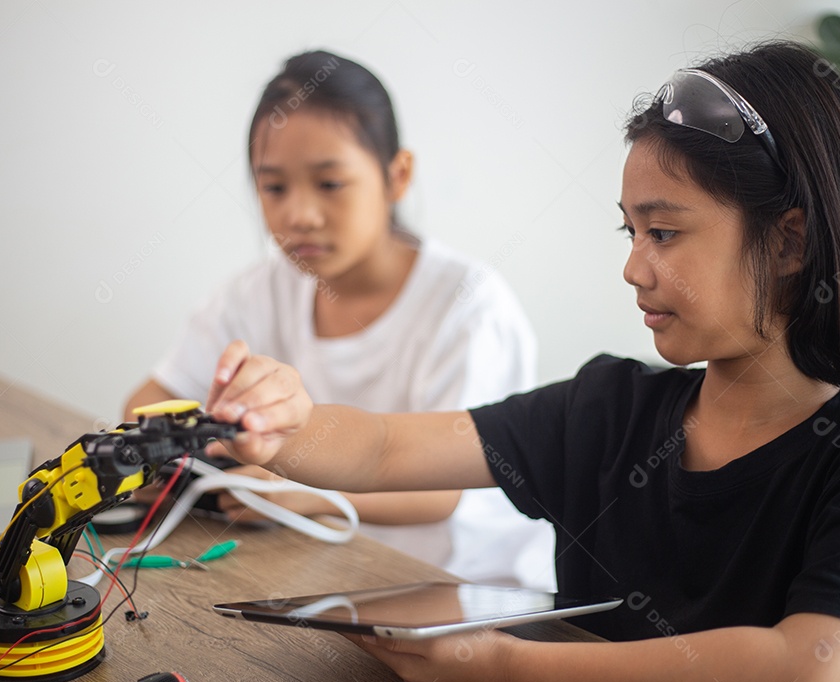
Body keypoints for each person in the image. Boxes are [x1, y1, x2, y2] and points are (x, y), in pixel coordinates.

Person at [199, 41, 840, 682]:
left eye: (665, 232)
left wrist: (505, 666)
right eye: (631, 232)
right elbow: (383, 449)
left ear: (790, 242)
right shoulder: (610, 410)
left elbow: (804, 681)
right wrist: (287, 426)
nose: (634, 267)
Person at [125, 50, 555, 590]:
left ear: (397, 177)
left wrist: (299, 488)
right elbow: (146, 403)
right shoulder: (259, 290)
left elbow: (441, 490)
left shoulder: (468, 306)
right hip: (321, 573)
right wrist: (213, 448)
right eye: (274, 187)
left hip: (465, 591)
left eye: (329, 184)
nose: (299, 214)